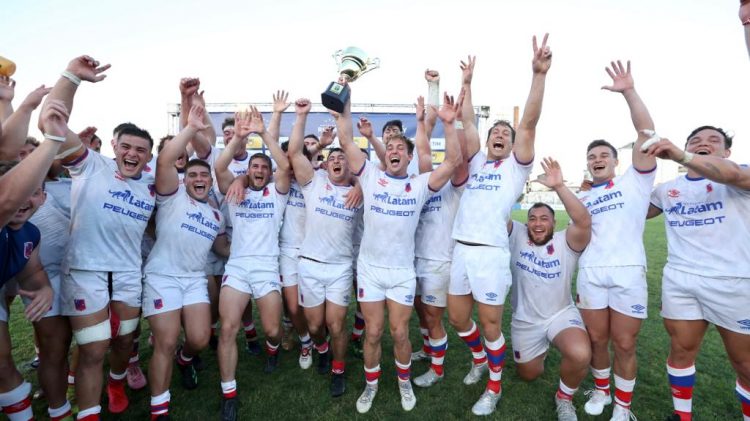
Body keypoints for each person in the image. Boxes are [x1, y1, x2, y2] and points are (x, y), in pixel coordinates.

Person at [336, 83, 461, 413]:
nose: (393, 150)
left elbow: (452, 161)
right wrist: (344, 108)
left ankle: (404, 383)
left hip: (402, 273)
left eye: (399, 148)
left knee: (400, 333)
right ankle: (371, 385)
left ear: (408, 156)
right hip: (371, 271)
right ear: (384, 155)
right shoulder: (370, 177)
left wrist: (448, 124)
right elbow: (347, 142)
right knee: (374, 333)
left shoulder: (420, 184)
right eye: (388, 146)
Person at [48, 55, 157, 420]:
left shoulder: (151, 188)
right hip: (86, 271)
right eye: (126, 147)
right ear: (114, 146)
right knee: (94, 349)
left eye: (141, 150)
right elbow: (51, 121)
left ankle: (116, 382)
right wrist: (72, 78)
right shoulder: (90, 164)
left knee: (125, 340)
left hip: (127, 273)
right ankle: (90, 413)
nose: (132, 154)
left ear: (148, 157)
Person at [447, 35, 551, 416]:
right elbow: (468, 121)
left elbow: (529, 124)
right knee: (458, 317)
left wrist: (538, 75)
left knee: (491, 324)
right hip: (460, 249)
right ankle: (479, 359)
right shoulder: (475, 162)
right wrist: (468, 84)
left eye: (505, 135)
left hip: (490, 254)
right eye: (496, 133)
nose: (501, 136)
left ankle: (494, 387)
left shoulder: (514, 168)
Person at [644, 127, 750, 421]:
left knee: (745, 364)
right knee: (680, 351)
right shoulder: (667, 190)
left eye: (713, 141)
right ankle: (682, 417)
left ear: (726, 153)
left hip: (735, 283)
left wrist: (682, 154)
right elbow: (632, 212)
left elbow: (730, 175)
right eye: (695, 141)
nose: (703, 143)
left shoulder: (739, 176)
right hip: (680, 281)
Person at [575, 60, 658, 421]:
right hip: (591, 273)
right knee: (596, 341)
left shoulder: (634, 181)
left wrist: (628, 91)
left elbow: (647, 132)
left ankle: (623, 407)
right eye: (592, 157)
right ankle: (601, 391)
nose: (597, 160)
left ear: (616, 160)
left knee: (625, 343)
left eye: (603, 155)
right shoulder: (582, 198)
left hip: (627, 274)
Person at [144, 104, 227, 420]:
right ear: (185, 179)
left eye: (203, 174)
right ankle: (159, 409)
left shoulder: (215, 213)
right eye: (192, 174)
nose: (198, 178)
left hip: (194, 279)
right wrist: (191, 127)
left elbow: (222, 248)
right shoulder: (172, 193)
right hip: (163, 276)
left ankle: (185, 358)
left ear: (210, 180)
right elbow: (165, 159)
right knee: (164, 341)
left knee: (199, 339)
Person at [214, 106, 290, 421]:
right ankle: (228, 393)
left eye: (263, 167)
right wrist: (239, 138)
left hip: (267, 268)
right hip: (238, 267)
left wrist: (262, 133)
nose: (258, 170)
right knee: (228, 329)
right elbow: (220, 168)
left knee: (273, 330)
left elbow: (284, 165)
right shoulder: (235, 189)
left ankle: (272, 350)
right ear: (248, 170)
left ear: (268, 174)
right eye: (253, 166)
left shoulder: (277, 193)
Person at [508, 158, 592, 421]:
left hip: (560, 314)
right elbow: (493, 210)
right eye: (532, 218)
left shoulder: (565, 241)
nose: (537, 223)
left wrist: (559, 187)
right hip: (525, 320)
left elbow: (584, 222)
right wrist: (515, 177)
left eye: (544, 218)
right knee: (529, 374)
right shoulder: (517, 234)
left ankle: (564, 399)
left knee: (580, 353)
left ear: (554, 224)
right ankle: (541, 348)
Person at [288, 97, 362, 396]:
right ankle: (320, 348)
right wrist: (301, 116)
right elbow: (294, 152)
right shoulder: (314, 183)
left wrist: (358, 183)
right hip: (310, 264)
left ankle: (338, 369)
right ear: (325, 164)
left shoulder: (361, 190)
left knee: (336, 324)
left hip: (340, 267)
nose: (337, 160)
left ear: (350, 165)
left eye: (342, 158)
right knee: (316, 326)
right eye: (332, 158)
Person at [411, 82, 470, 387]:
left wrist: (452, 124)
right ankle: (426, 349)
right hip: (415, 260)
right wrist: (424, 114)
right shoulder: (422, 184)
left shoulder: (454, 188)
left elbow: (456, 159)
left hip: (439, 262)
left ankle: (437, 370)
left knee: (433, 317)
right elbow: (422, 148)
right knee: (422, 312)